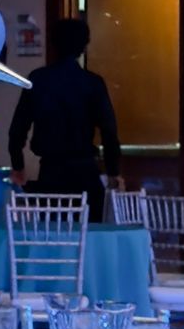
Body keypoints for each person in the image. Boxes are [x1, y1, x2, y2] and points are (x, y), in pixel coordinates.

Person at [7, 16, 121, 220]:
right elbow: (109, 131)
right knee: (88, 238)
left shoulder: (37, 79)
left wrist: (18, 166)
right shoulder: (93, 83)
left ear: (54, 44)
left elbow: (18, 129)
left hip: (51, 172)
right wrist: (113, 171)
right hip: (86, 172)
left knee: (52, 237)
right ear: (83, 47)